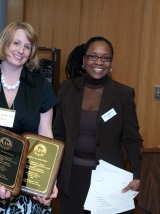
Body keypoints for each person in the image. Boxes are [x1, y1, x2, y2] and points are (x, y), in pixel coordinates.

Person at [52, 36, 143, 213]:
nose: (99, 62)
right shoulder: (67, 89)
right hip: (72, 178)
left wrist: (139, 174)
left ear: (111, 62)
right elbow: (58, 134)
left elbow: (132, 139)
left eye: (105, 57)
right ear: (84, 60)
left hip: (109, 180)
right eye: (93, 56)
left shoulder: (123, 94)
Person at [0, 21, 59, 214]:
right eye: (16, 43)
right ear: (4, 44)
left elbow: (46, 135)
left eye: (27, 46)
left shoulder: (41, 87)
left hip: (27, 182)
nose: (21, 50)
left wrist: (49, 181)